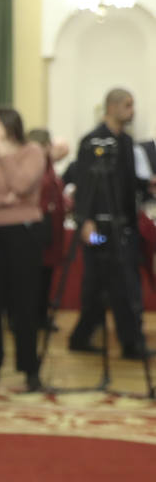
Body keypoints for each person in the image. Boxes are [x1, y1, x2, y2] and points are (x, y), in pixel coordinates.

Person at [64, 88, 151, 359]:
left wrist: (146, 185)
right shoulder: (92, 142)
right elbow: (86, 184)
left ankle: (123, 341)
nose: (131, 111)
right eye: (128, 105)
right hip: (98, 231)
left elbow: (126, 183)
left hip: (122, 228)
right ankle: (102, 339)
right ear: (112, 107)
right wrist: (85, 221)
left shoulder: (125, 142)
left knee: (120, 282)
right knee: (98, 281)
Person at [0, 106, 47, 389]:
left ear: (8, 125)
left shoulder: (32, 152)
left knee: (24, 303)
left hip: (24, 234)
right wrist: (5, 200)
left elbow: (23, 183)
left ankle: (29, 368)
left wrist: (5, 155)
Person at [26, 128, 69, 330]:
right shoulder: (31, 168)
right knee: (35, 277)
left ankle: (41, 316)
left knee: (46, 276)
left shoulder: (48, 167)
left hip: (51, 227)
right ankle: (31, 318)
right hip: (37, 228)